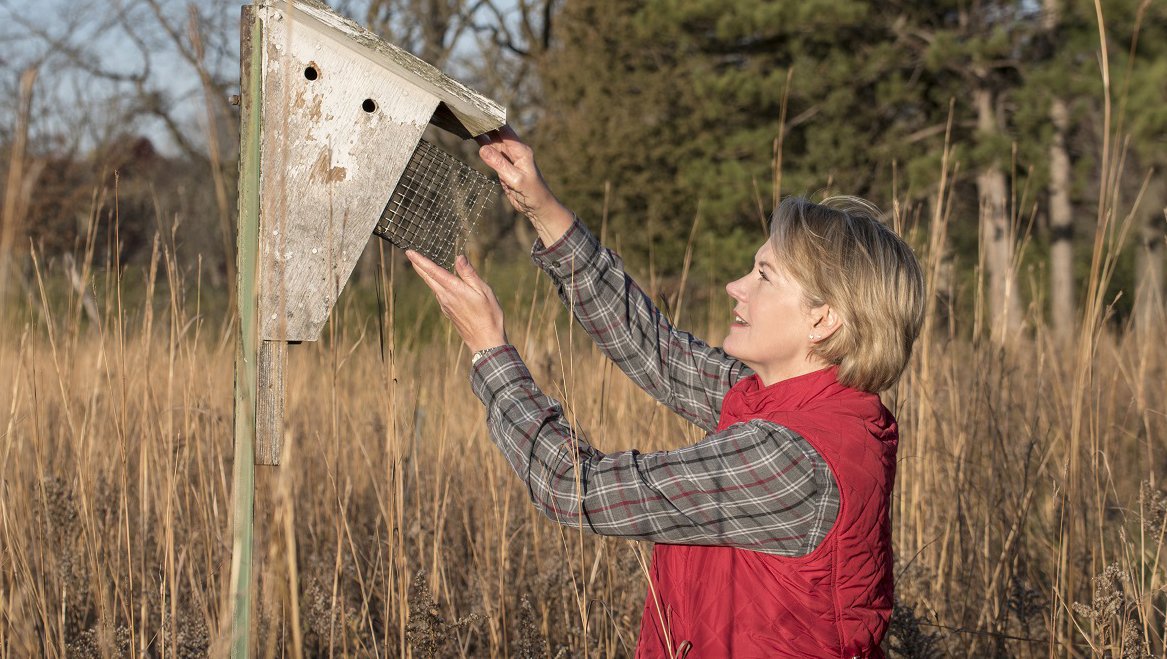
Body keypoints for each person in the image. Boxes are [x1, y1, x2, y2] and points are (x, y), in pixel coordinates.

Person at [406, 126, 926, 658]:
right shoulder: (781, 402)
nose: (736, 286)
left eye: (764, 276)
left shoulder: (792, 460)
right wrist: (542, 208)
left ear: (824, 320)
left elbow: (574, 488)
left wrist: (490, 350)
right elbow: (657, 351)